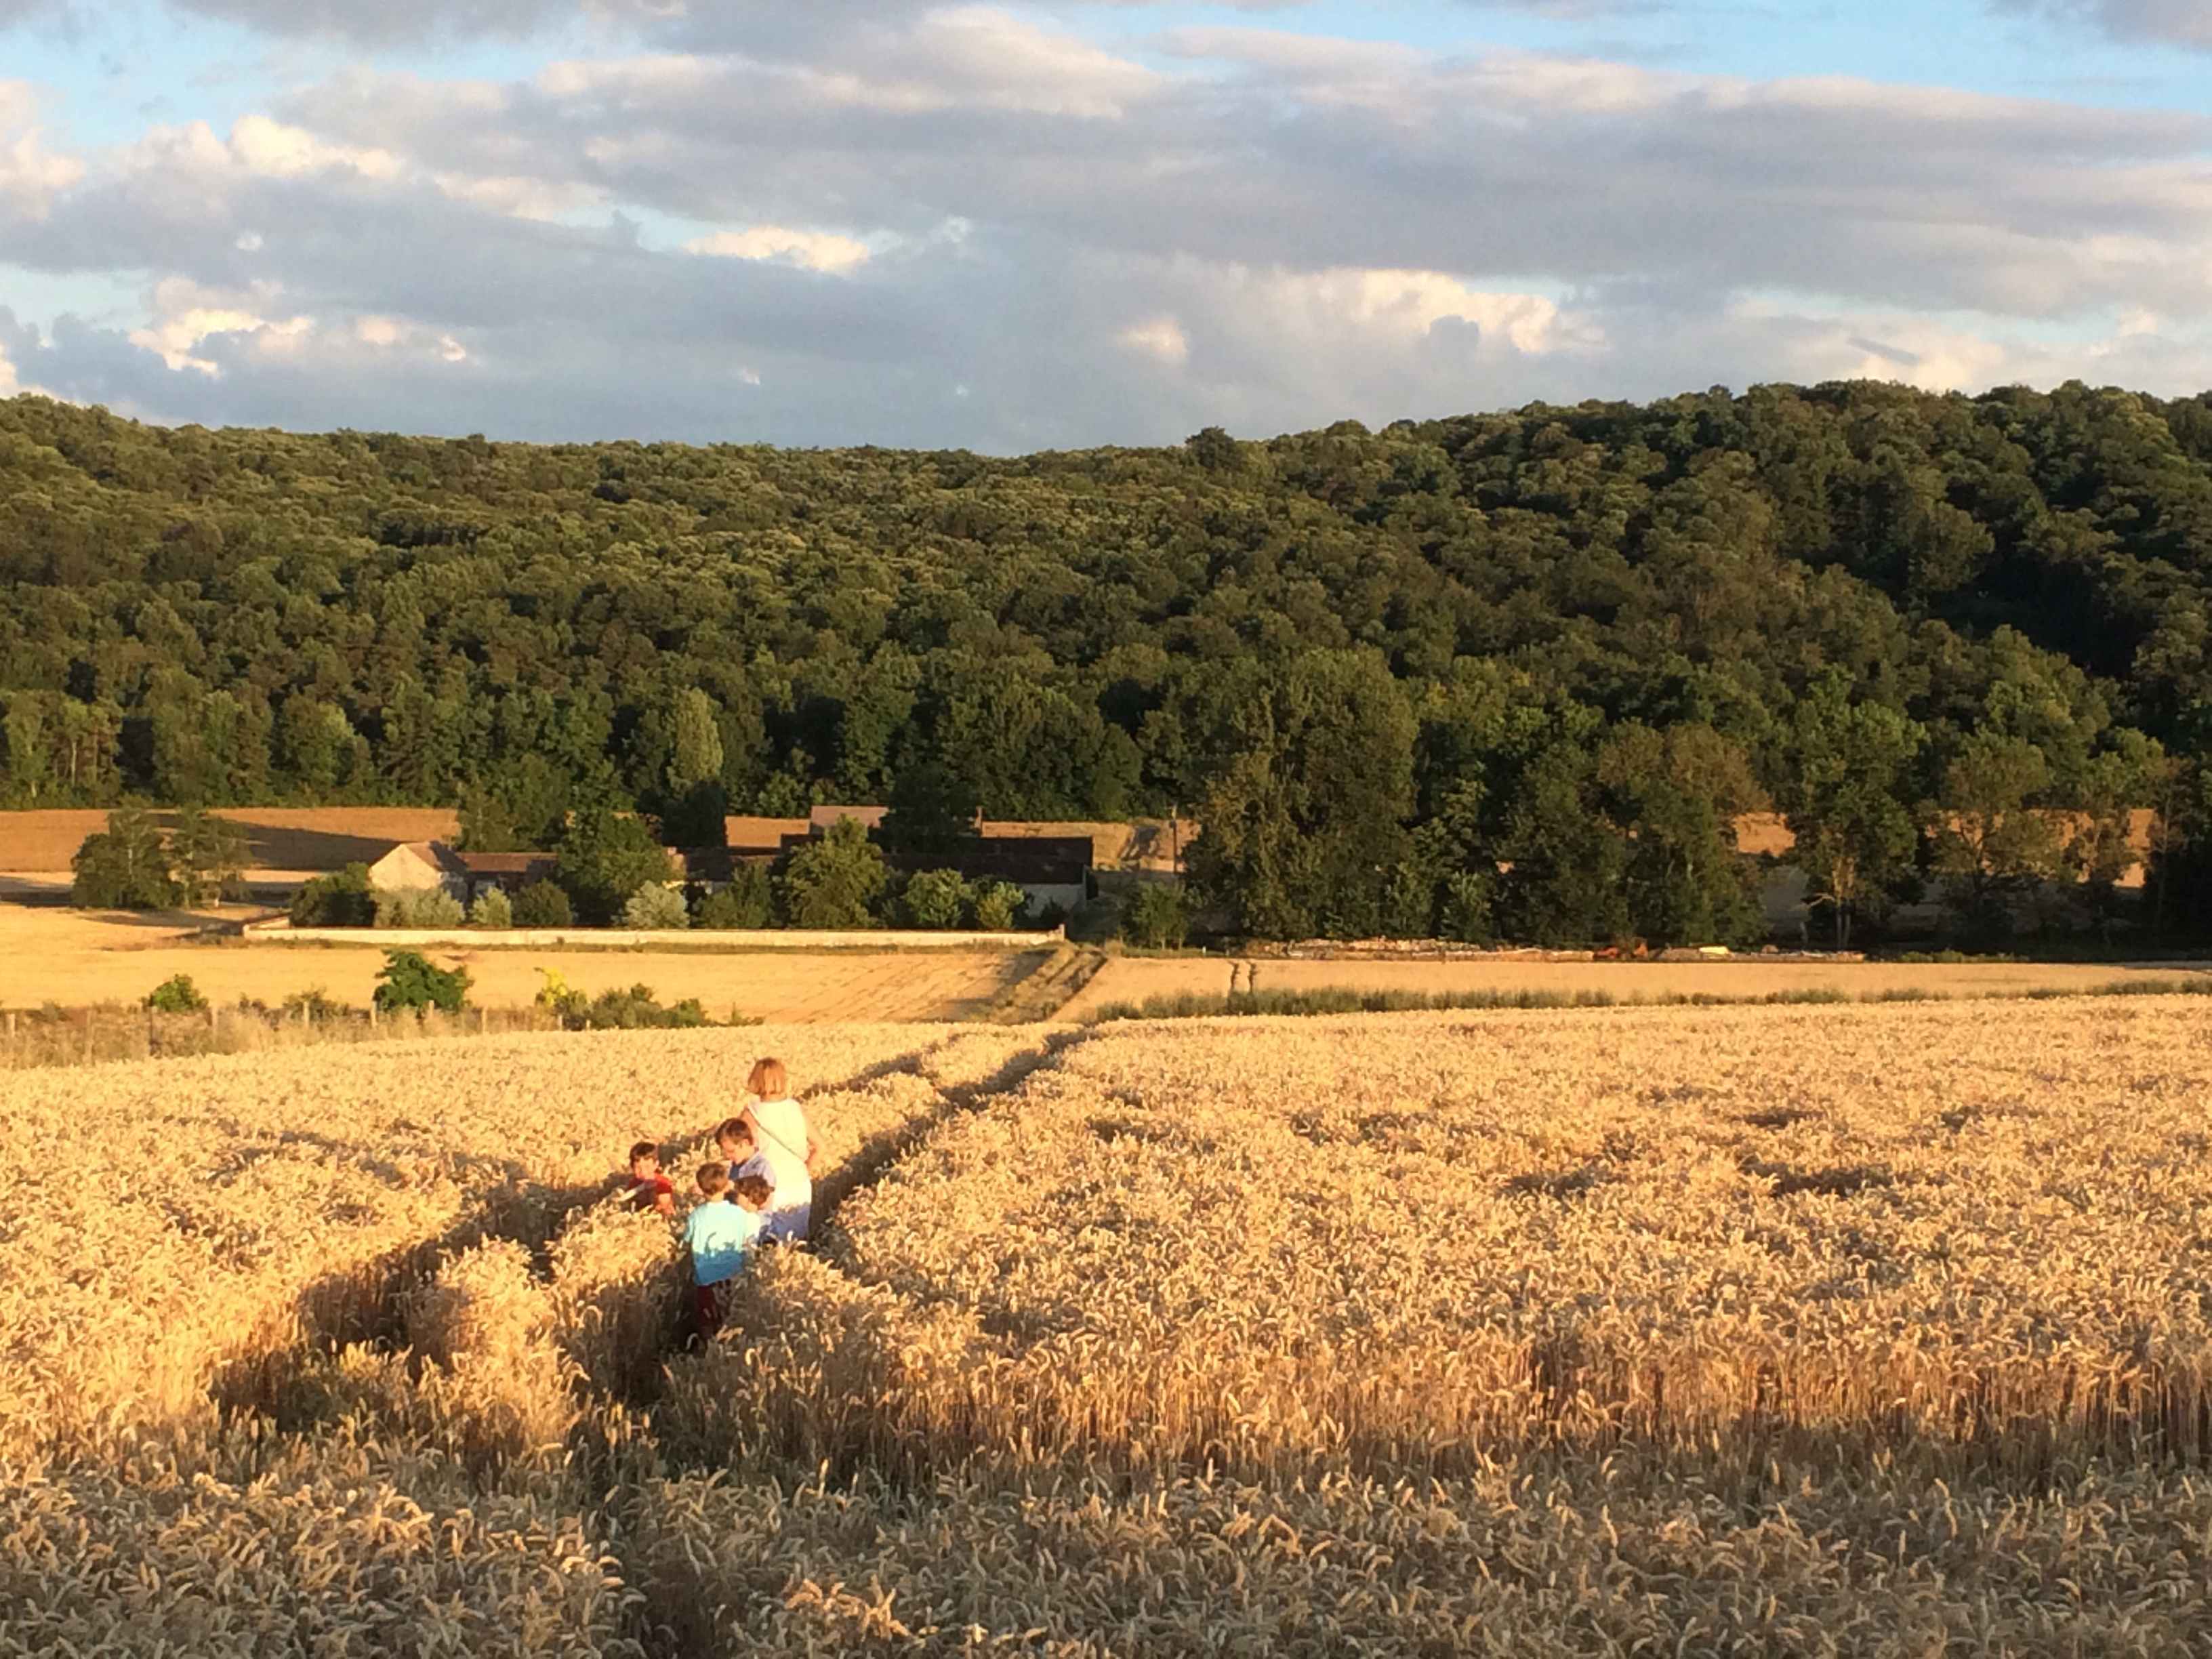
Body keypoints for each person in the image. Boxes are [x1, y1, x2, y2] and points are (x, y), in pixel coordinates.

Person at [682, 1164, 771, 1338]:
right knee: (729, 1314)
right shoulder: (739, 1214)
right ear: (726, 1186)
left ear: (701, 1188)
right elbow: (747, 1240)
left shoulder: (696, 1216)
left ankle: (706, 1349)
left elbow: (686, 1240)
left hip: (706, 1276)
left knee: (707, 1317)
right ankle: (726, 1347)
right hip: (733, 1273)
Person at [743, 1057, 819, 1244]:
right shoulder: (796, 1109)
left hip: (768, 1185)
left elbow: (745, 1152)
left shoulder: (752, 1113)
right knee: (796, 1241)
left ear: (756, 1080)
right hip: (798, 1183)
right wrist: (806, 1169)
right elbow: (820, 1146)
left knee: (767, 1242)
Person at [716, 1116, 771, 1188]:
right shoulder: (734, 1166)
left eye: (731, 1151)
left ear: (745, 1143)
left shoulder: (762, 1168)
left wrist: (735, 1187)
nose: (728, 1156)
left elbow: (765, 1196)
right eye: (725, 1152)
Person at [626, 1140, 675, 1218]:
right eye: (638, 1168)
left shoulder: (663, 1183)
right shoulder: (634, 1183)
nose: (643, 1171)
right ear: (632, 1167)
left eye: (647, 1167)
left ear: (656, 1164)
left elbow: (665, 1204)